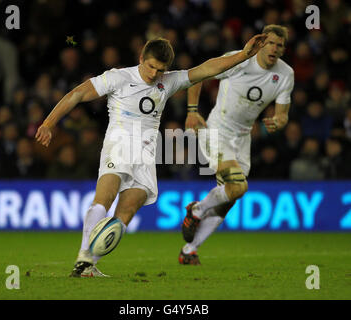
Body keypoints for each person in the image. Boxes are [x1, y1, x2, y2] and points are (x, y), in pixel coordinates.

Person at [35, 34, 266, 277]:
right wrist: (49, 123)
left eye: (161, 69)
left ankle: (88, 265)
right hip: (120, 145)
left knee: (125, 214)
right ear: (141, 58)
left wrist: (243, 55)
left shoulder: (169, 81)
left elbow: (206, 69)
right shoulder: (119, 77)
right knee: (104, 197)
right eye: (151, 66)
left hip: (147, 156)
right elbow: (78, 94)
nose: (154, 73)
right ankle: (83, 257)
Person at [179, 25, 294, 265]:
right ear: (261, 43)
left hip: (243, 139)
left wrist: (279, 121)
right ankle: (197, 210)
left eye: (280, 45)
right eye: (271, 42)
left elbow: (283, 114)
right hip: (217, 132)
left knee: (228, 200)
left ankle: (189, 250)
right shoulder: (238, 60)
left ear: (283, 50)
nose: (275, 48)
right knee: (239, 186)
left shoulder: (285, 74)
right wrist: (191, 111)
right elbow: (196, 75)